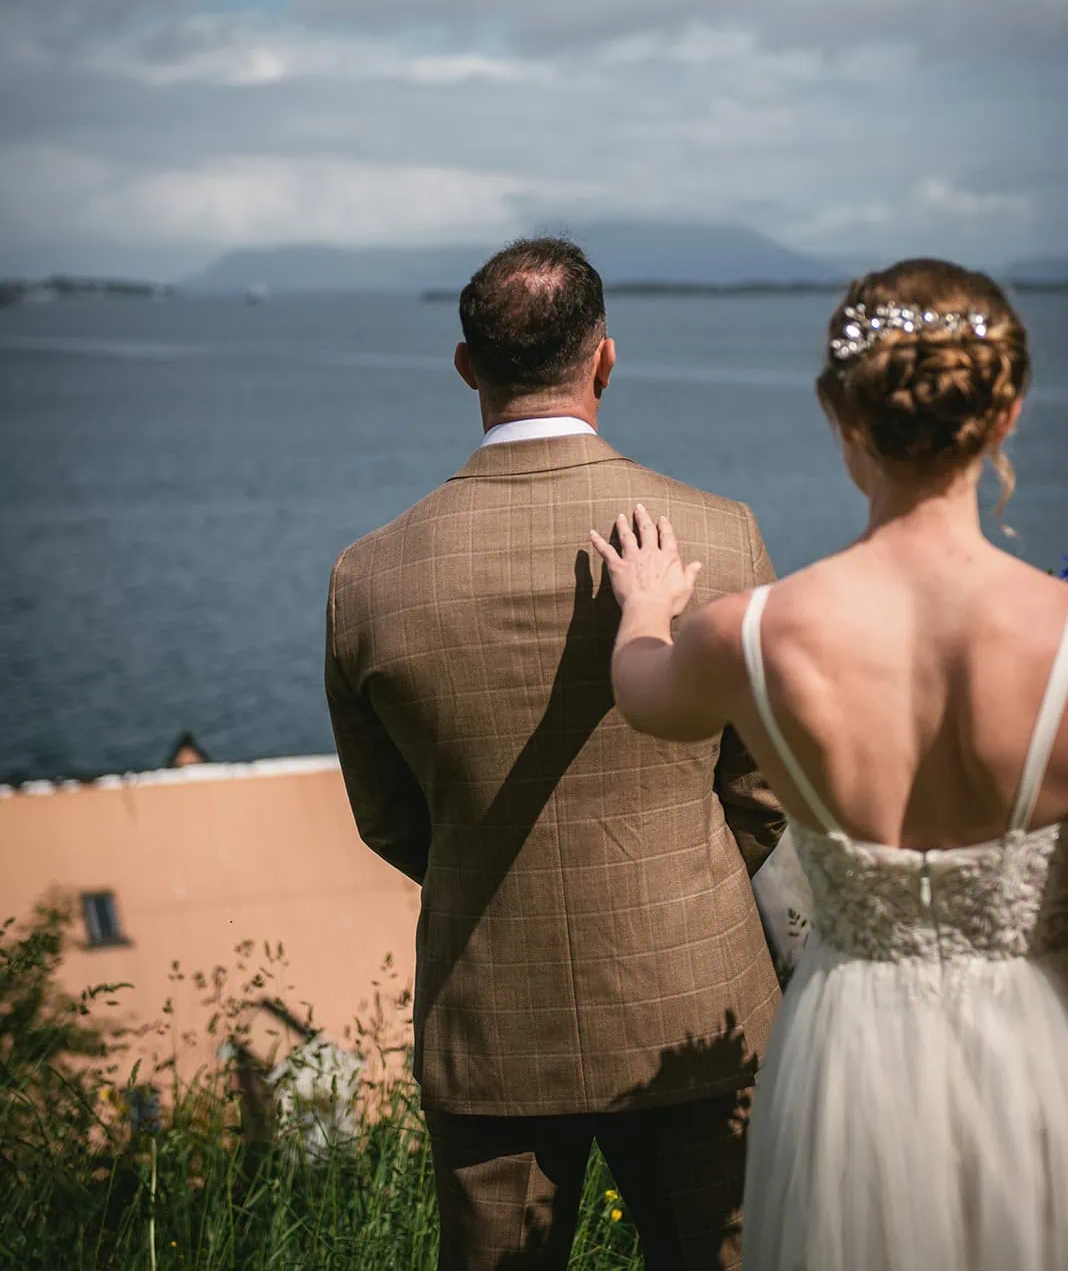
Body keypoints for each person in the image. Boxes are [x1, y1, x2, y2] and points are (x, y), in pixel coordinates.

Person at [591, 257, 1068, 1271]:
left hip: (852, 1051)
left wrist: (642, 606)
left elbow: (641, 693)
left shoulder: (752, 636)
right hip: (1033, 1040)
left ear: (837, 411)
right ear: (1009, 413)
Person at [325, 237, 785, 1270]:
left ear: (465, 366)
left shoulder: (368, 575)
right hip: (691, 1004)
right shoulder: (721, 531)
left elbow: (390, 816)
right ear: (606, 360)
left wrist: (495, 874)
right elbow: (762, 789)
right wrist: (686, 882)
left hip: (490, 1025)